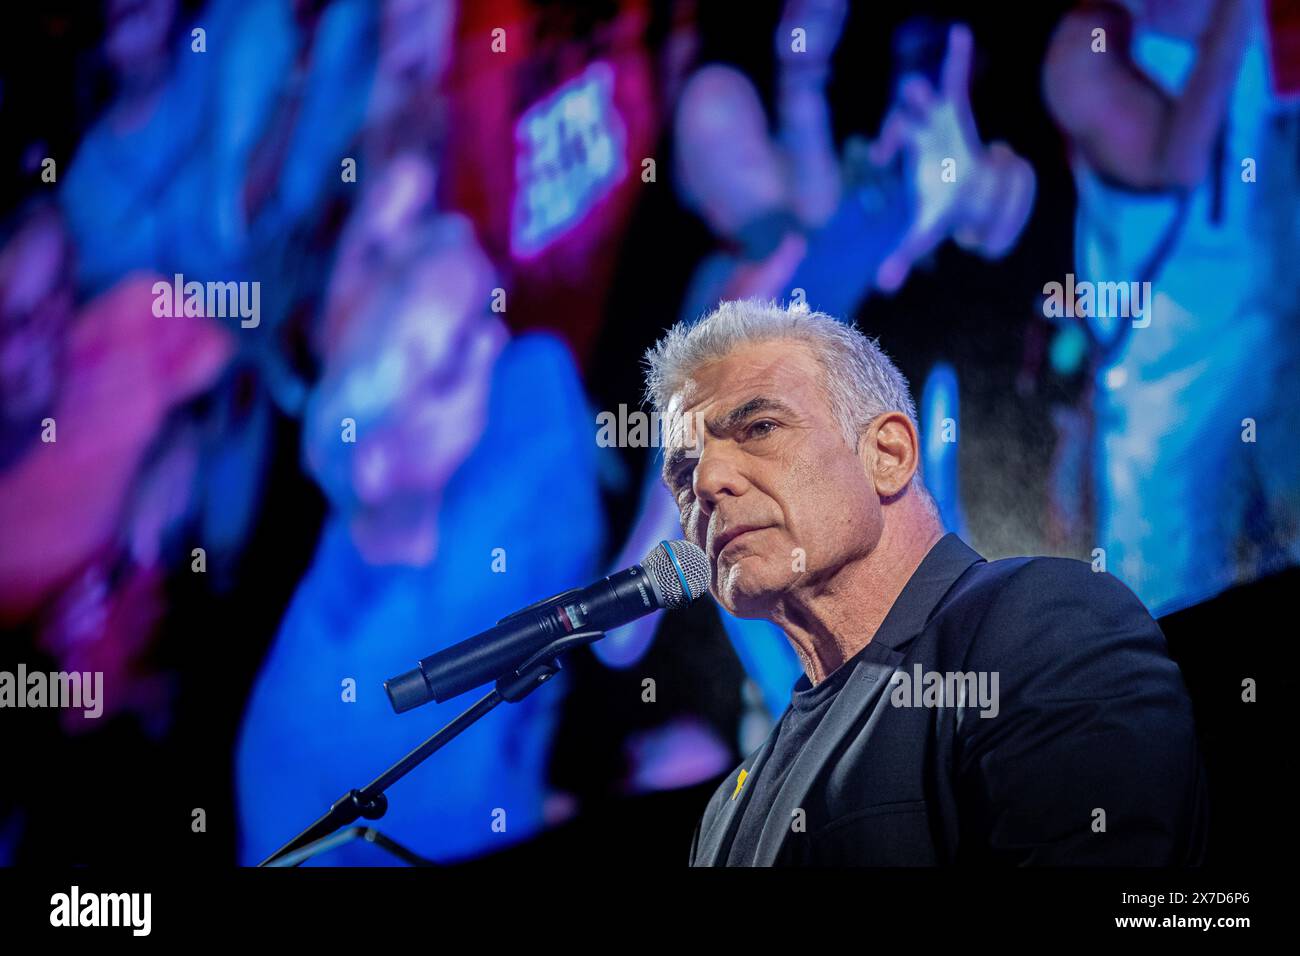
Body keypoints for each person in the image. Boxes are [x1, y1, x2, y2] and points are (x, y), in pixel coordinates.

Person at [642, 299, 1207, 865]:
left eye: (760, 427)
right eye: (684, 472)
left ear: (888, 454)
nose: (710, 481)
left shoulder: (1043, 621)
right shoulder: (725, 814)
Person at [1044, 0, 1300, 615]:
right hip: (1165, 392)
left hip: (1273, 347)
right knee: (1158, 628)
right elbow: (1179, 160)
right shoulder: (1089, 44)